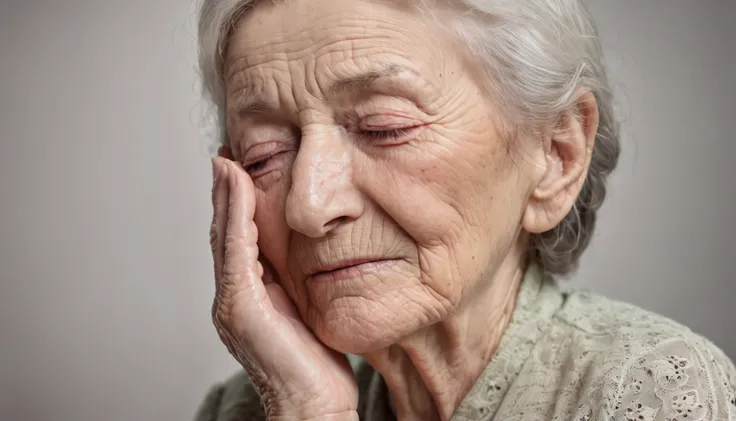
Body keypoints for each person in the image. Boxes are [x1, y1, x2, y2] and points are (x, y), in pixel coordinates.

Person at [193, 0, 736, 420]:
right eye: (264, 155)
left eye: (386, 127)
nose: (309, 205)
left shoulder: (649, 387)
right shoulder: (250, 406)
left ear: (555, 156)